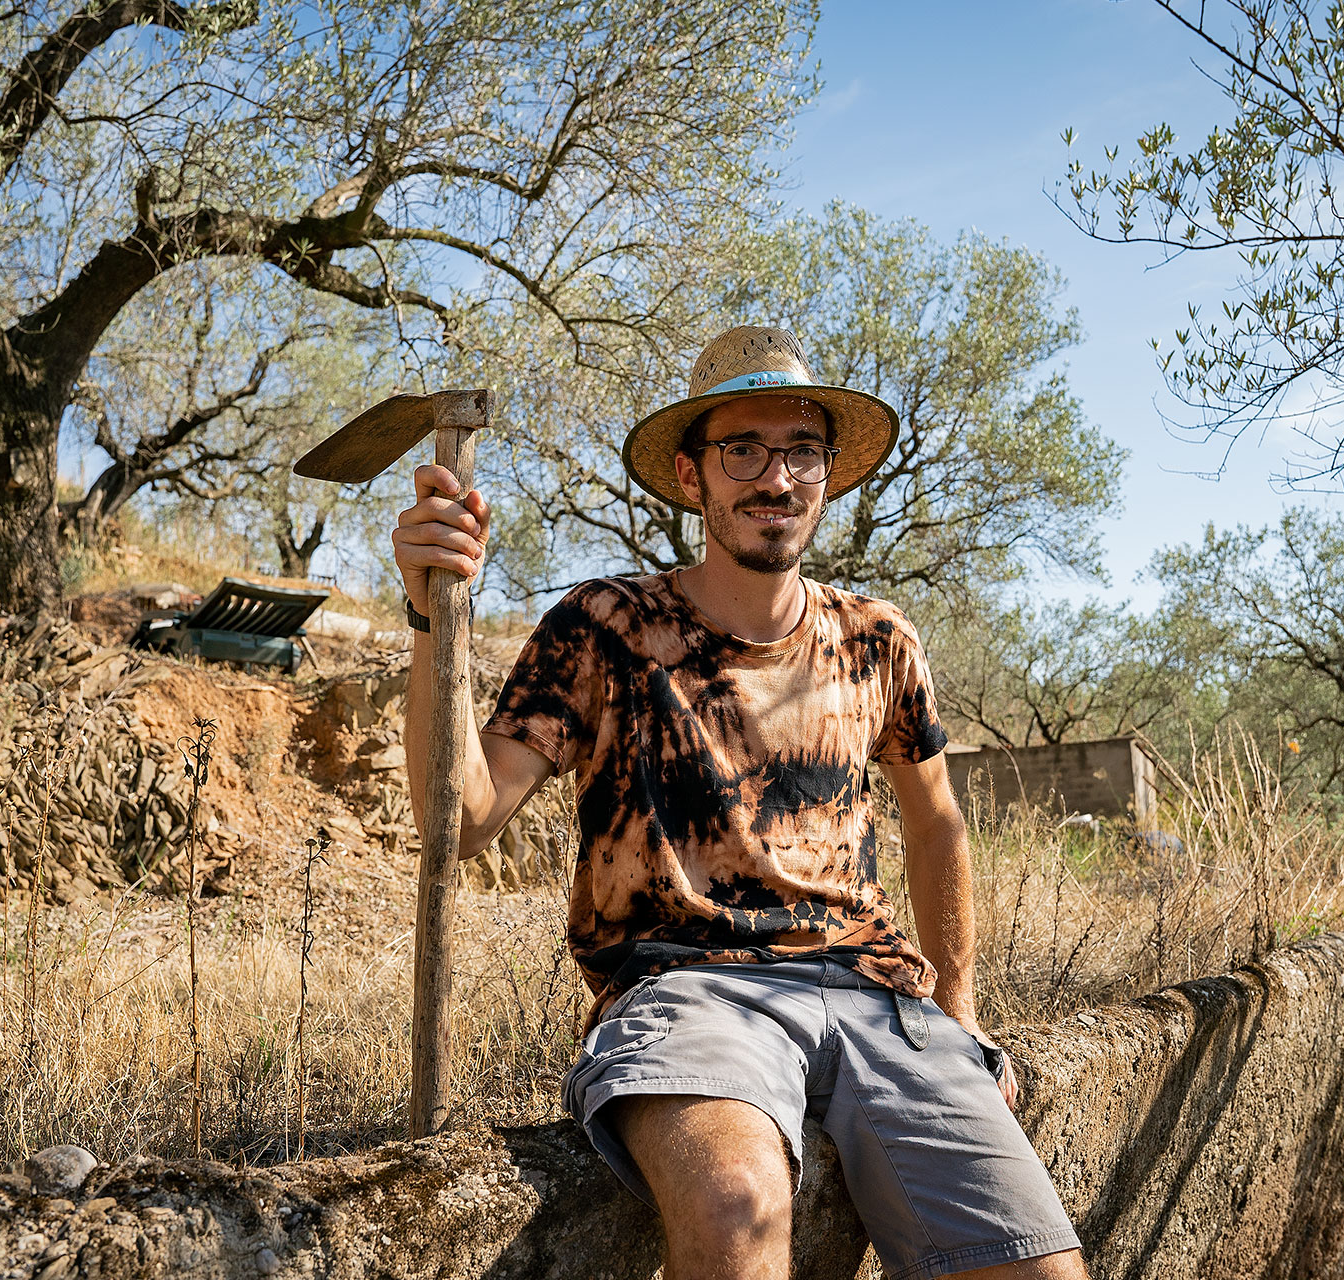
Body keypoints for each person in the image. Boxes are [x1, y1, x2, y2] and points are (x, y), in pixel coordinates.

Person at [392, 326, 1088, 1280]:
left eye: (802, 450)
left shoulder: (876, 639)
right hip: (691, 986)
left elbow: (936, 820)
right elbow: (460, 819)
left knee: (1036, 1266)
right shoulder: (606, 628)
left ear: (829, 476)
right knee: (735, 1214)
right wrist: (433, 614)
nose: (777, 477)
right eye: (743, 451)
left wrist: (959, 1008)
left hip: (876, 996)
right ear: (692, 477)